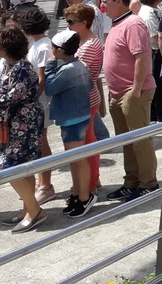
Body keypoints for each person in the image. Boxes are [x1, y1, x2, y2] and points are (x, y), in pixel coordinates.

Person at [0, 26, 46, 232]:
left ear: (10, 46)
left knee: (10, 167)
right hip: (13, 121)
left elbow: (9, 98)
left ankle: (35, 210)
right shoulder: (8, 65)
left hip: (24, 122)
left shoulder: (22, 68)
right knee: (21, 166)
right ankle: (28, 209)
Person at [101, 0, 158, 202]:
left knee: (140, 140)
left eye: (105, 2)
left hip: (132, 92)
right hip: (117, 92)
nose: (102, 6)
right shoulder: (117, 23)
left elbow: (141, 57)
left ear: (119, 1)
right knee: (127, 141)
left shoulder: (133, 23)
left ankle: (148, 183)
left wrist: (135, 90)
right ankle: (131, 181)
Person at [6, 6, 56, 203]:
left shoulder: (43, 46)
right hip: (34, 103)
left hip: (38, 103)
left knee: (42, 142)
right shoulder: (35, 44)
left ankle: (46, 185)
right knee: (37, 143)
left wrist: (30, 100)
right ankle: (40, 182)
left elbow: (42, 79)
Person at [45, 30, 96, 218]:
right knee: (74, 158)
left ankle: (85, 197)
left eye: (53, 48)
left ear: (59, 51)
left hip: (73, 118)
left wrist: (50, 65)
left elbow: (50, 88)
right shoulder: (80, 64)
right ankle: (77, 193)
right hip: (77, 116)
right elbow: (90, 85)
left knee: (78, 159)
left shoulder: (67, 70)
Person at [64, 3, 105, 192]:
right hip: (87, 97)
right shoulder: (84, 41)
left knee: (87, 143)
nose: (68, 25)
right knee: (88, 140)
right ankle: (91, 180)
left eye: (71, 22)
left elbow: (77, 75)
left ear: (84, 23)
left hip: (85, 99)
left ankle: (90, 183)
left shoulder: (88, 46)